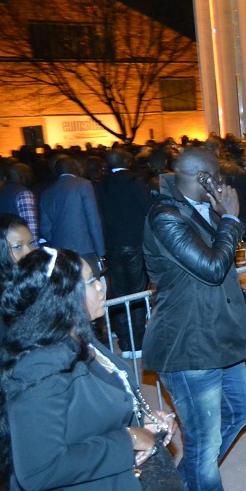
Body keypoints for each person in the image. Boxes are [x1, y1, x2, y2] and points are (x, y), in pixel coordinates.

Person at [0, 246, 177, 491]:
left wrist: (145, 421)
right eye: (90, 282)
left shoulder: (82, 340)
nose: (101, 287)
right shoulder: (38, 370)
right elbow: (39, 470)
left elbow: (90, 412)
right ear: (61, 295)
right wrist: (128, 439)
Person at [143, 146, 246, 491]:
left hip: (220, 336)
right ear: (204, 178)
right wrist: (231, 221)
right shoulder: (165, 216)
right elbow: (211, 269)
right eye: (218, 177)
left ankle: (181, 489)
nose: (225, 184)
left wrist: (224, 217)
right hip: (188, 344)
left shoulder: (201, 208)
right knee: (203, 446)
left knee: (239, 411)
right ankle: (197, 490)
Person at [96, 148, 152, 359]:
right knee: (137, 292)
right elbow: (147, 209)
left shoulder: (100, 184)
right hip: (134, 244)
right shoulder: (134, 182)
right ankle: (138, 341)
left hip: (112, 245)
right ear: (126, 160)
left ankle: (126, 342)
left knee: (119, 293)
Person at [0, 214, 35, 362]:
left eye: (31, 243)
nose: (29, 252)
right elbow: (6, 357)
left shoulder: (23, 282)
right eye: (18, 247)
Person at [38, 156, 106, 270]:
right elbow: (93, 219)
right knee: (91, 284)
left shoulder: (47, 193)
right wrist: (101, 253)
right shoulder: (84, 185)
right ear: (73, 167)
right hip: (85, 249)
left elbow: (45, 228)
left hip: (60, 252)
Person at [0, 161, 38, 240]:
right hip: (19, 243)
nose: (31, 177)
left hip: (2, 240)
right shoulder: (24, 193)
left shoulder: (1, 191)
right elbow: (30, 227)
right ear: (22, 176)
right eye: (29, 174)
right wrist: (34, 248)